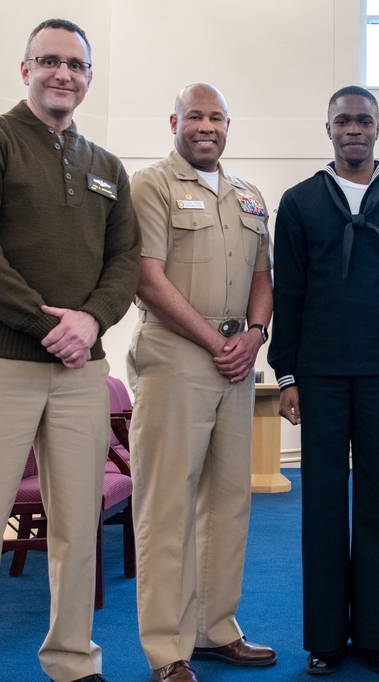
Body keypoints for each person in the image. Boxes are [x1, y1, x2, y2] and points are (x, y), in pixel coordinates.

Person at [0, 18, 140, 682]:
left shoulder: (108, 169)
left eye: (75, 64)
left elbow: (123, 264)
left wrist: (91, 324)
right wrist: (49, 326)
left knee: (78, 531)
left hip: (79, 375)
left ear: (89, 78)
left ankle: (72, 660)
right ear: (25, 69)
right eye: (49, 61)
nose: (62, 73)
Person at [268, 85, 379, 676]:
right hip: (317, 376)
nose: (354, 129)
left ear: (378, 129)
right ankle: (324, 639)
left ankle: (376, 637)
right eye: (344, 120)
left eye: (364, 120)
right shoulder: (299, 202)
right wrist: (285, 372)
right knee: (321, 503)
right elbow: (287, 292)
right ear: (329, 128)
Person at [127, 83, 276, 682]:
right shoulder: (152, 186)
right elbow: (147, 279)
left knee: (228, 501)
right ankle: (169, 648)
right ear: (174, 121)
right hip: (177, 357)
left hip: (237, 360)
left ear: (228, 124)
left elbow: (264, 275)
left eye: (216, 116)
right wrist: (218, 343)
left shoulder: (248, 194)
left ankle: (217, 629)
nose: (206, 125)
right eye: (195, 115)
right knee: (167, 505)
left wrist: (255, 334)